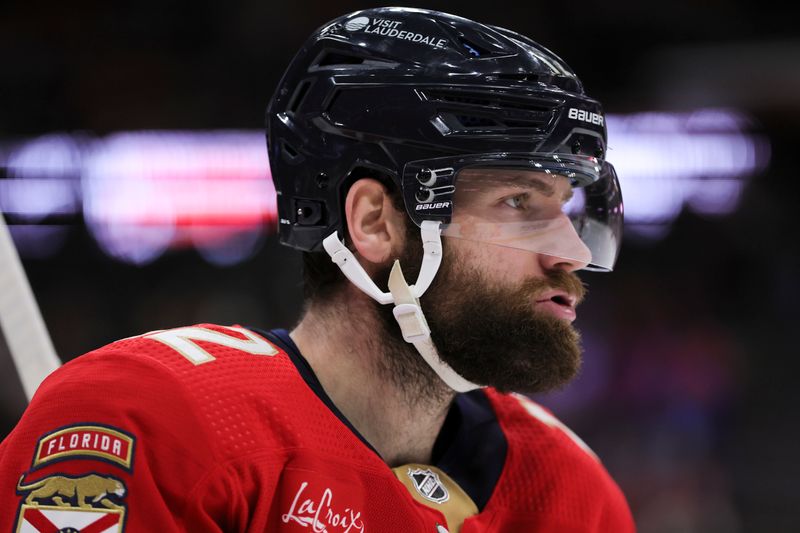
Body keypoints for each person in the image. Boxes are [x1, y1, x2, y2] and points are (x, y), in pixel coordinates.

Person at [0, 7, 633, 532]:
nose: (570, 250)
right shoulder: (154, 421)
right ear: (375, 223)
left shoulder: (567, 491)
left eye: (564, 206)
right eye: (518, 202)